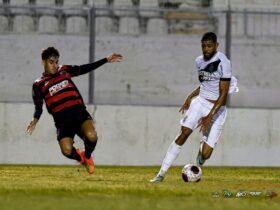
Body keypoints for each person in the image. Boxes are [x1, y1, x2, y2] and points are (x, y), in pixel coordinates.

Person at [150, 32, 238, 183]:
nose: (206, 49)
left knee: (206, 155)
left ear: (216, 45)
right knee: (183, 133)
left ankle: (203, 148)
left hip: (217, 109)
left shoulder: (224, 62)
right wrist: (190, 96)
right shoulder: (199, 61)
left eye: (209, 46)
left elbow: (223, 95)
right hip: (201, 102)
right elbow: (205, 84)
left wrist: (209, 116)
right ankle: (161, 174)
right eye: (203, 46)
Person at [26, 47, 123, 174]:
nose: (55, 65)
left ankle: (88, 157)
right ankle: (81, 158)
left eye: (56, 62)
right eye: (51, 62)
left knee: (92, 137)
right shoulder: (38, 84)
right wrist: (34, 120)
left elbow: (83, 68)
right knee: (66, 151)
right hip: (62, 121)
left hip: (79, 113)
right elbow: (38, 107)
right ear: (43, 62)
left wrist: (105, 60)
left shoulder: (64, 70)